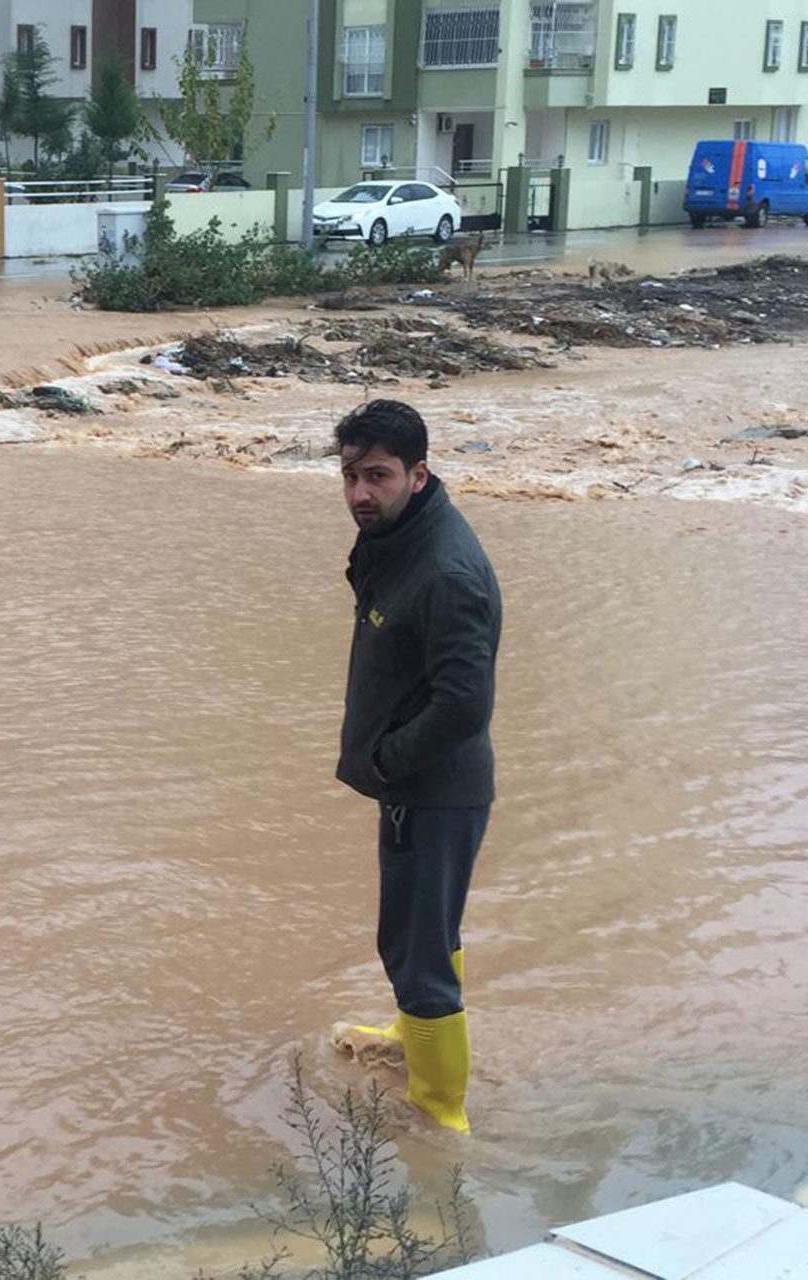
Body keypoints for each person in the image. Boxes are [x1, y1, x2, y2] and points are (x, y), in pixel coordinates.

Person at [331, 400, 501, 1135]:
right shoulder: (401, 535)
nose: (360, 493)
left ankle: (440, 1114)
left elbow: (465, 705)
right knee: (419, 931)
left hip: (431, 793)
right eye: (349, 475)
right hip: (414, 786)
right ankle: (414, 1039)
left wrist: (387, 764)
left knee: (418, 946)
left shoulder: (446, 571)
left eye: (378, 476)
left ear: (419, 474)